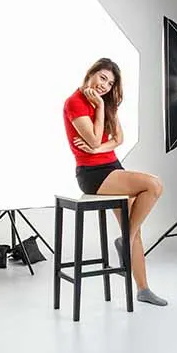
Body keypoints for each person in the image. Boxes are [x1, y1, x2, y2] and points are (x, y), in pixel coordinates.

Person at [63, 58, 167, 306]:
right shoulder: (75, 102)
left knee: (134, 227)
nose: (105, 86)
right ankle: (125, 240)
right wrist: (99, 107)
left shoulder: (108, 102)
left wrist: (97, 148)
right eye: (102, 78)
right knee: (154, 185)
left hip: (112, 168)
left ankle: (143, 289)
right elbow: (94, 137)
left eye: (110, 83)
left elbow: (118, 139)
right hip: (92, 175)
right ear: (91, 74)